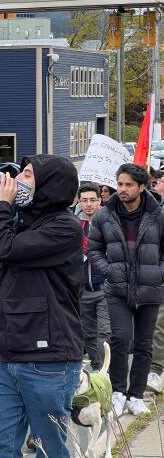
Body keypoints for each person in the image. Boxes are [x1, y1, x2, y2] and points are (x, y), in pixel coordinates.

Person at [0, 156, 83, 458]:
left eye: (28, 175)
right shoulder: (17, 221)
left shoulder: (65, 228)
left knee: (49, 448)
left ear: (50, 186)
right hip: (6, 354)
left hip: (48, 358)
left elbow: (7, 249)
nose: (17, 181)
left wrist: (1, 207)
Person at [88, 164, 164, 416]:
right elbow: (94, 250)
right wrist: (108, 270)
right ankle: (119, 392)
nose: (121, 189)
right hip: (117, 289)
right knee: (120, 339)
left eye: (128, 185)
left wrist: (158, 274)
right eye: (119, 184)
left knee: (144, 344)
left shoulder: (158, 215)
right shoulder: (103, 215)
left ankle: (136, 395)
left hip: (149, 289)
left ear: (141, 187)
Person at [77, 183, 110, 372]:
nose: (88, 204)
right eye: (84, 200)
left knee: (104, 332)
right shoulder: (73, 223)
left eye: (93, 200)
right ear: (79, 201)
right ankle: (98, 370)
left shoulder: (109, 222)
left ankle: (108, 371)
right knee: (88, 333)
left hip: (104, 286)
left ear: (100, 200)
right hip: (82, 288)